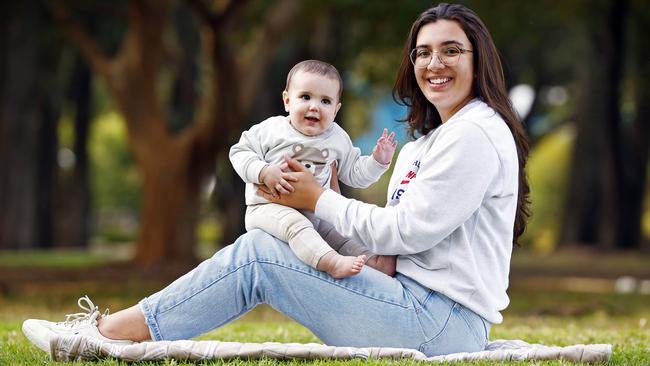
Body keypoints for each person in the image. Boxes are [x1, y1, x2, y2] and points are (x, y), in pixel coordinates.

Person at [22, 2, 530, 357]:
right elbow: (397, 241)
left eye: (451, 51)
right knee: (268, 240)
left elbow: (407, 230)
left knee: (260, 254)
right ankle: (117, 330)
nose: (433, 63)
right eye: (422, 52)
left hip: (440, 322)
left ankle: (110, 333)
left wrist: (318, 197)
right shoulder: (425, 142)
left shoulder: (475, 135)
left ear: (477, 57)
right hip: (411, 302)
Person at [229, 59, 398, 279]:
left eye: (325, 101)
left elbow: (354, 174)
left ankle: (373, 261)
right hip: (268, 208)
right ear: (287, 101)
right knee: (297, 224)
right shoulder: (271, 129)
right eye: (305, 97)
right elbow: (239, 151)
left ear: (336, 110)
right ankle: (331, 262)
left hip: (316, 212)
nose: (314, 106)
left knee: (341, 233)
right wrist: (263, 171)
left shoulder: (337, 138)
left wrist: (377, 161)